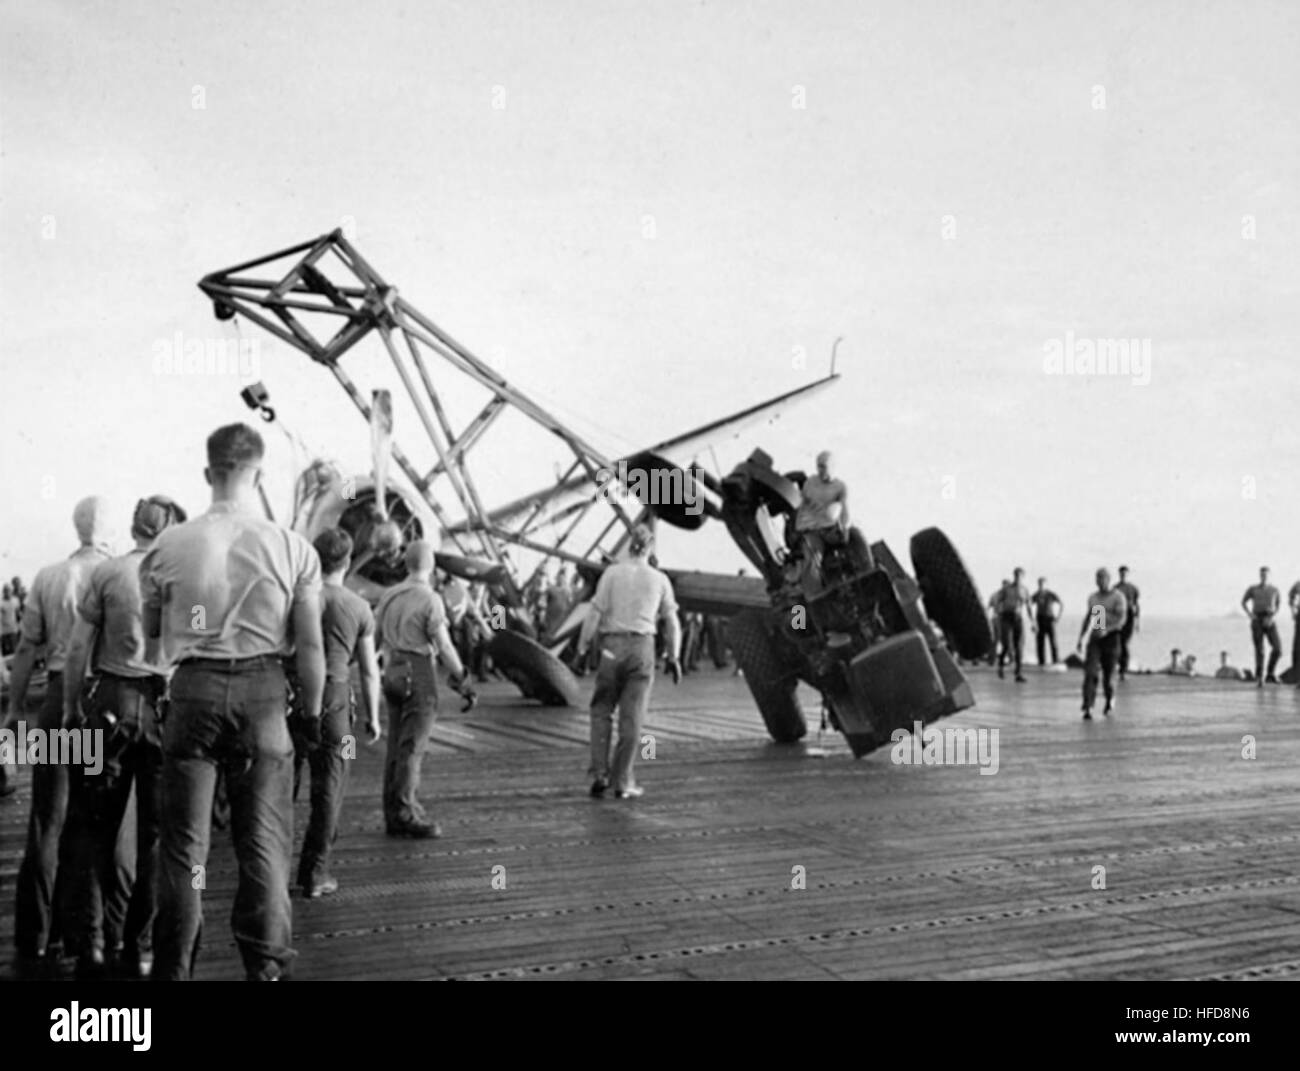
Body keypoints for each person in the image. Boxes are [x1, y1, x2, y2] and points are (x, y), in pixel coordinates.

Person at [140, 423, 326, 981]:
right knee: (264, 845)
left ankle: (174, 968)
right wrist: (312, 717)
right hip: (264, 694)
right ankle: (266, 969)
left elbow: (154, 640)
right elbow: (311, 645)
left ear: (207, 472)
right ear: (260, 474)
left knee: (184, 850)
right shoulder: (293, 547)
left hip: (192, 692)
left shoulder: (166, 546)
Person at [59, 495, 186, 979]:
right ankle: (142, 946)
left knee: (95, 827)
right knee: (155, 834)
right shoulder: (179, 579)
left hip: (107, 705)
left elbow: (76, 649)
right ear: (167, 530)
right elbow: (192, 641)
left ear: (133, 527)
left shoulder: (105, 574)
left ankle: (92, 942)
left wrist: (73, 708)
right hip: (163, 708)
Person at [6, 496, 116, 978]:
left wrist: (12, 713)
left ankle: (34, 943)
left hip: (53, 703)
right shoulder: (120, 575)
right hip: (100, 704)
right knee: (92, 823)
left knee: (46, 820)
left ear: (76, 528)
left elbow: (27, 646)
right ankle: (89, 940)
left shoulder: (49, 576)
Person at [292, 528, 381, 899]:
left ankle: (271, 869)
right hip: (338, 708)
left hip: (292, 699)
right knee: (332, 785)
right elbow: (369, 670)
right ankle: (315, 873)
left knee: (282, 785)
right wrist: (373, 718)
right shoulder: (359, 608)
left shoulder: (295, 600)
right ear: (347, 562)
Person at [374, 540, 476, 839]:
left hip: (392, 670)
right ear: (431, 567)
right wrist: (463, 679)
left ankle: (392, 811)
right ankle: (406, 813)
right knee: (413, 747)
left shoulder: (389, 595)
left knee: (395, 745)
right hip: (418, 671)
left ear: (405, 564)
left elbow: (376, 637)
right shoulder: (430, 598)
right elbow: (443, 644)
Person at [577, 524, 681, 799]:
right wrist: (675, 656)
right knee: (632, 718)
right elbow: (672, 622)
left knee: (601, 710)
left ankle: (599, 774)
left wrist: (582, 646)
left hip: (611, 647)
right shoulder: (659, 579)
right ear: (650, 548)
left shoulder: (611, 573)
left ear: (629, 546)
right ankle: (622, 782)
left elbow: (594, 614)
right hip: (642, 646)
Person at [794, 450, 861, 583]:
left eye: (824, 466)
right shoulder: (810, 484)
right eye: (818, 466)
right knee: (813, 556)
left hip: (832, 530)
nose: (821, 470)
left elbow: (844, 510)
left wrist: (845, 528)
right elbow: (802, 508)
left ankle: (868, 574)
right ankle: (814, 594)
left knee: (857, 536)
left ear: (833, 467)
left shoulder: (840, 487)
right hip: (813, 530)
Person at [1076, 567, 1128, 719]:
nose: (1099, 582)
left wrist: (1108, 630)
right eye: (1097, 578)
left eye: (1102, 578)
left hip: (1112, 637)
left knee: (1108, 674)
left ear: (1108, 580)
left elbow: (1121, 619)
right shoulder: (1094, 598)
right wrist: (1081, 637)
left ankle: (1110, 698)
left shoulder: (1118, 597)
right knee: (1090, 672)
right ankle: (1088, 705)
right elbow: (1089, 617)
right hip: (1096, 637)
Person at [1241, 566, 1282, 687]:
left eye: (1266, 575)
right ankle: (1260, 676)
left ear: (1270, 576)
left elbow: (1278, 605)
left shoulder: (1275, 590)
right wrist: (1249, 614)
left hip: (1269, 619)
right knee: (1260, 650)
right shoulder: (1253, 589)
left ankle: (1271, 672)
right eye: (1262, 575)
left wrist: (1273, 616)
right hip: (1257, 619)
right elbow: (1243, 601)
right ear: (1260, 576)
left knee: (1278, 649)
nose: (1264, 577)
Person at [994, 569, 1033, 682]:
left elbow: (1029, 606)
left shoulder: (1025, 590)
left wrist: (1033, 621)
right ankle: (1000, 665)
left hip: (1018, 618)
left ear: (1023, 577)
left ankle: (1018, 673)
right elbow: (997, 600)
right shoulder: (1007, 589)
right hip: (1006, 617)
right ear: (1014, 576)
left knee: (1019, 646)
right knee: (1007, 645)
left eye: (1020, 576)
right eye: (1016, 576)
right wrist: (998, 611)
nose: (1018, 578)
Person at [1115, 566, 1141, 681]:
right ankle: (1120, 666)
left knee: (1125, 643)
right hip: (1118, 616)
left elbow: (1136, 605)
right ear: (1119, 575)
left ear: (1128, 575)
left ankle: (1123, 670)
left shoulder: (1133, 588)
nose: (1123, 576)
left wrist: (1137, 621)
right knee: (1118, 644)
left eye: (1125, 574)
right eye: (1121, 574)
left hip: (1130, 616)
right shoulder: (1115, 588)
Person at [1030, 577, 1061, 666]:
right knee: (1040, 642)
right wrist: (1033, 622)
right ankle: (1041, 662)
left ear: (1046, 585)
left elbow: (1061, 604)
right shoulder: (1036, 595)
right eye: (1039, 584)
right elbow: (1029, 605)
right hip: (1039, 619)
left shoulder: (1051, 594)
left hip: (1050, 619)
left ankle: (1055, 661)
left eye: (1042, 584)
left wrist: (1058, 617)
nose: (1041, 586)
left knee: (1053, 641)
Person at [0, 584, 19, 656]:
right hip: (4, 632)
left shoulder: (15, 600)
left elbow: (18, 614)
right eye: (6, 590)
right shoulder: (1, 603)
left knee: (15, 651)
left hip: (13, 630)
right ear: (3, 592)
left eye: (9, 590)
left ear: (11, 591)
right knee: (7, 654)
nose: (7, 592)